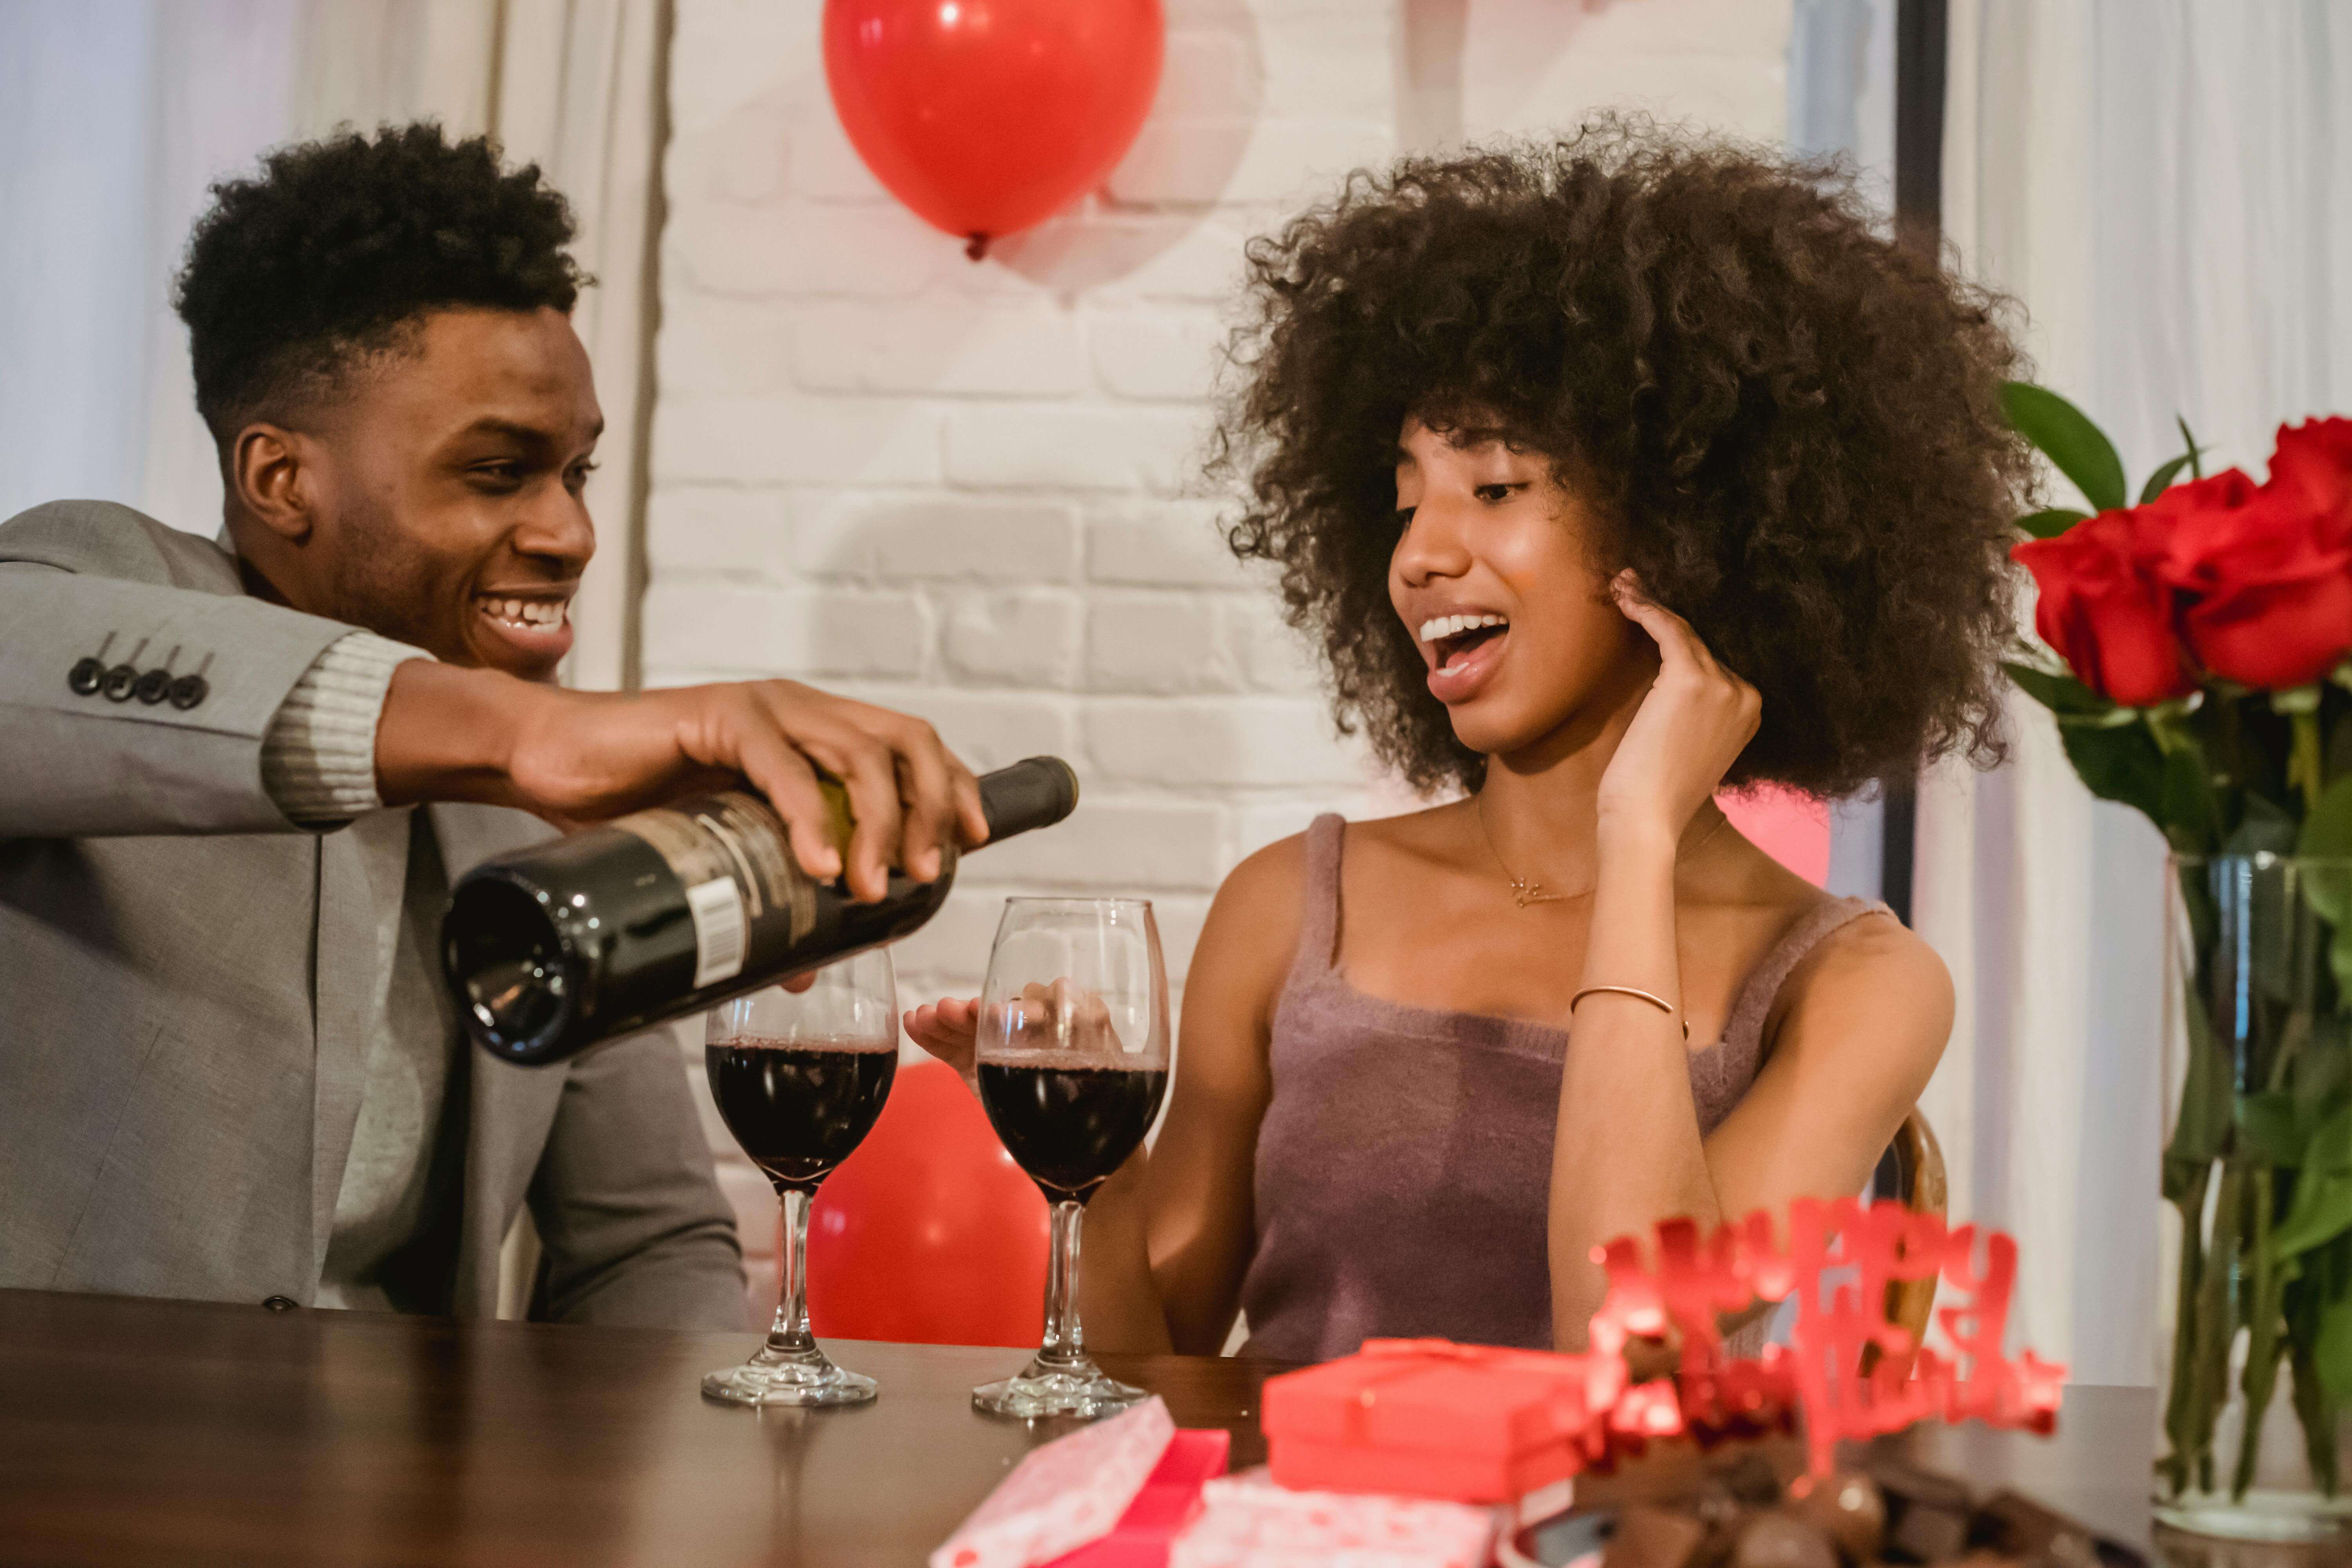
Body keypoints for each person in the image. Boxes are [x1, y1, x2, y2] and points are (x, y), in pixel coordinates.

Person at [908, 122, 2030, 1359]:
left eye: (1494, 488)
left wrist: (1640, 840)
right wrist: (1082, 1156)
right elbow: (1142, 1374)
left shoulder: (1856, 987)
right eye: (1404, 502)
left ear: (1685, 522)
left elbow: (1630, 1360)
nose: (1419, 556)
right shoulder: (1289, 909)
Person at [0, 125, 985, 1326]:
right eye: (497, 471)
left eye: (574, 472)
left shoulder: (532, 812)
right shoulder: (107, 586)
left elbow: (649, 1248)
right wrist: (525, 734)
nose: (569, 530)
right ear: (280, 481)